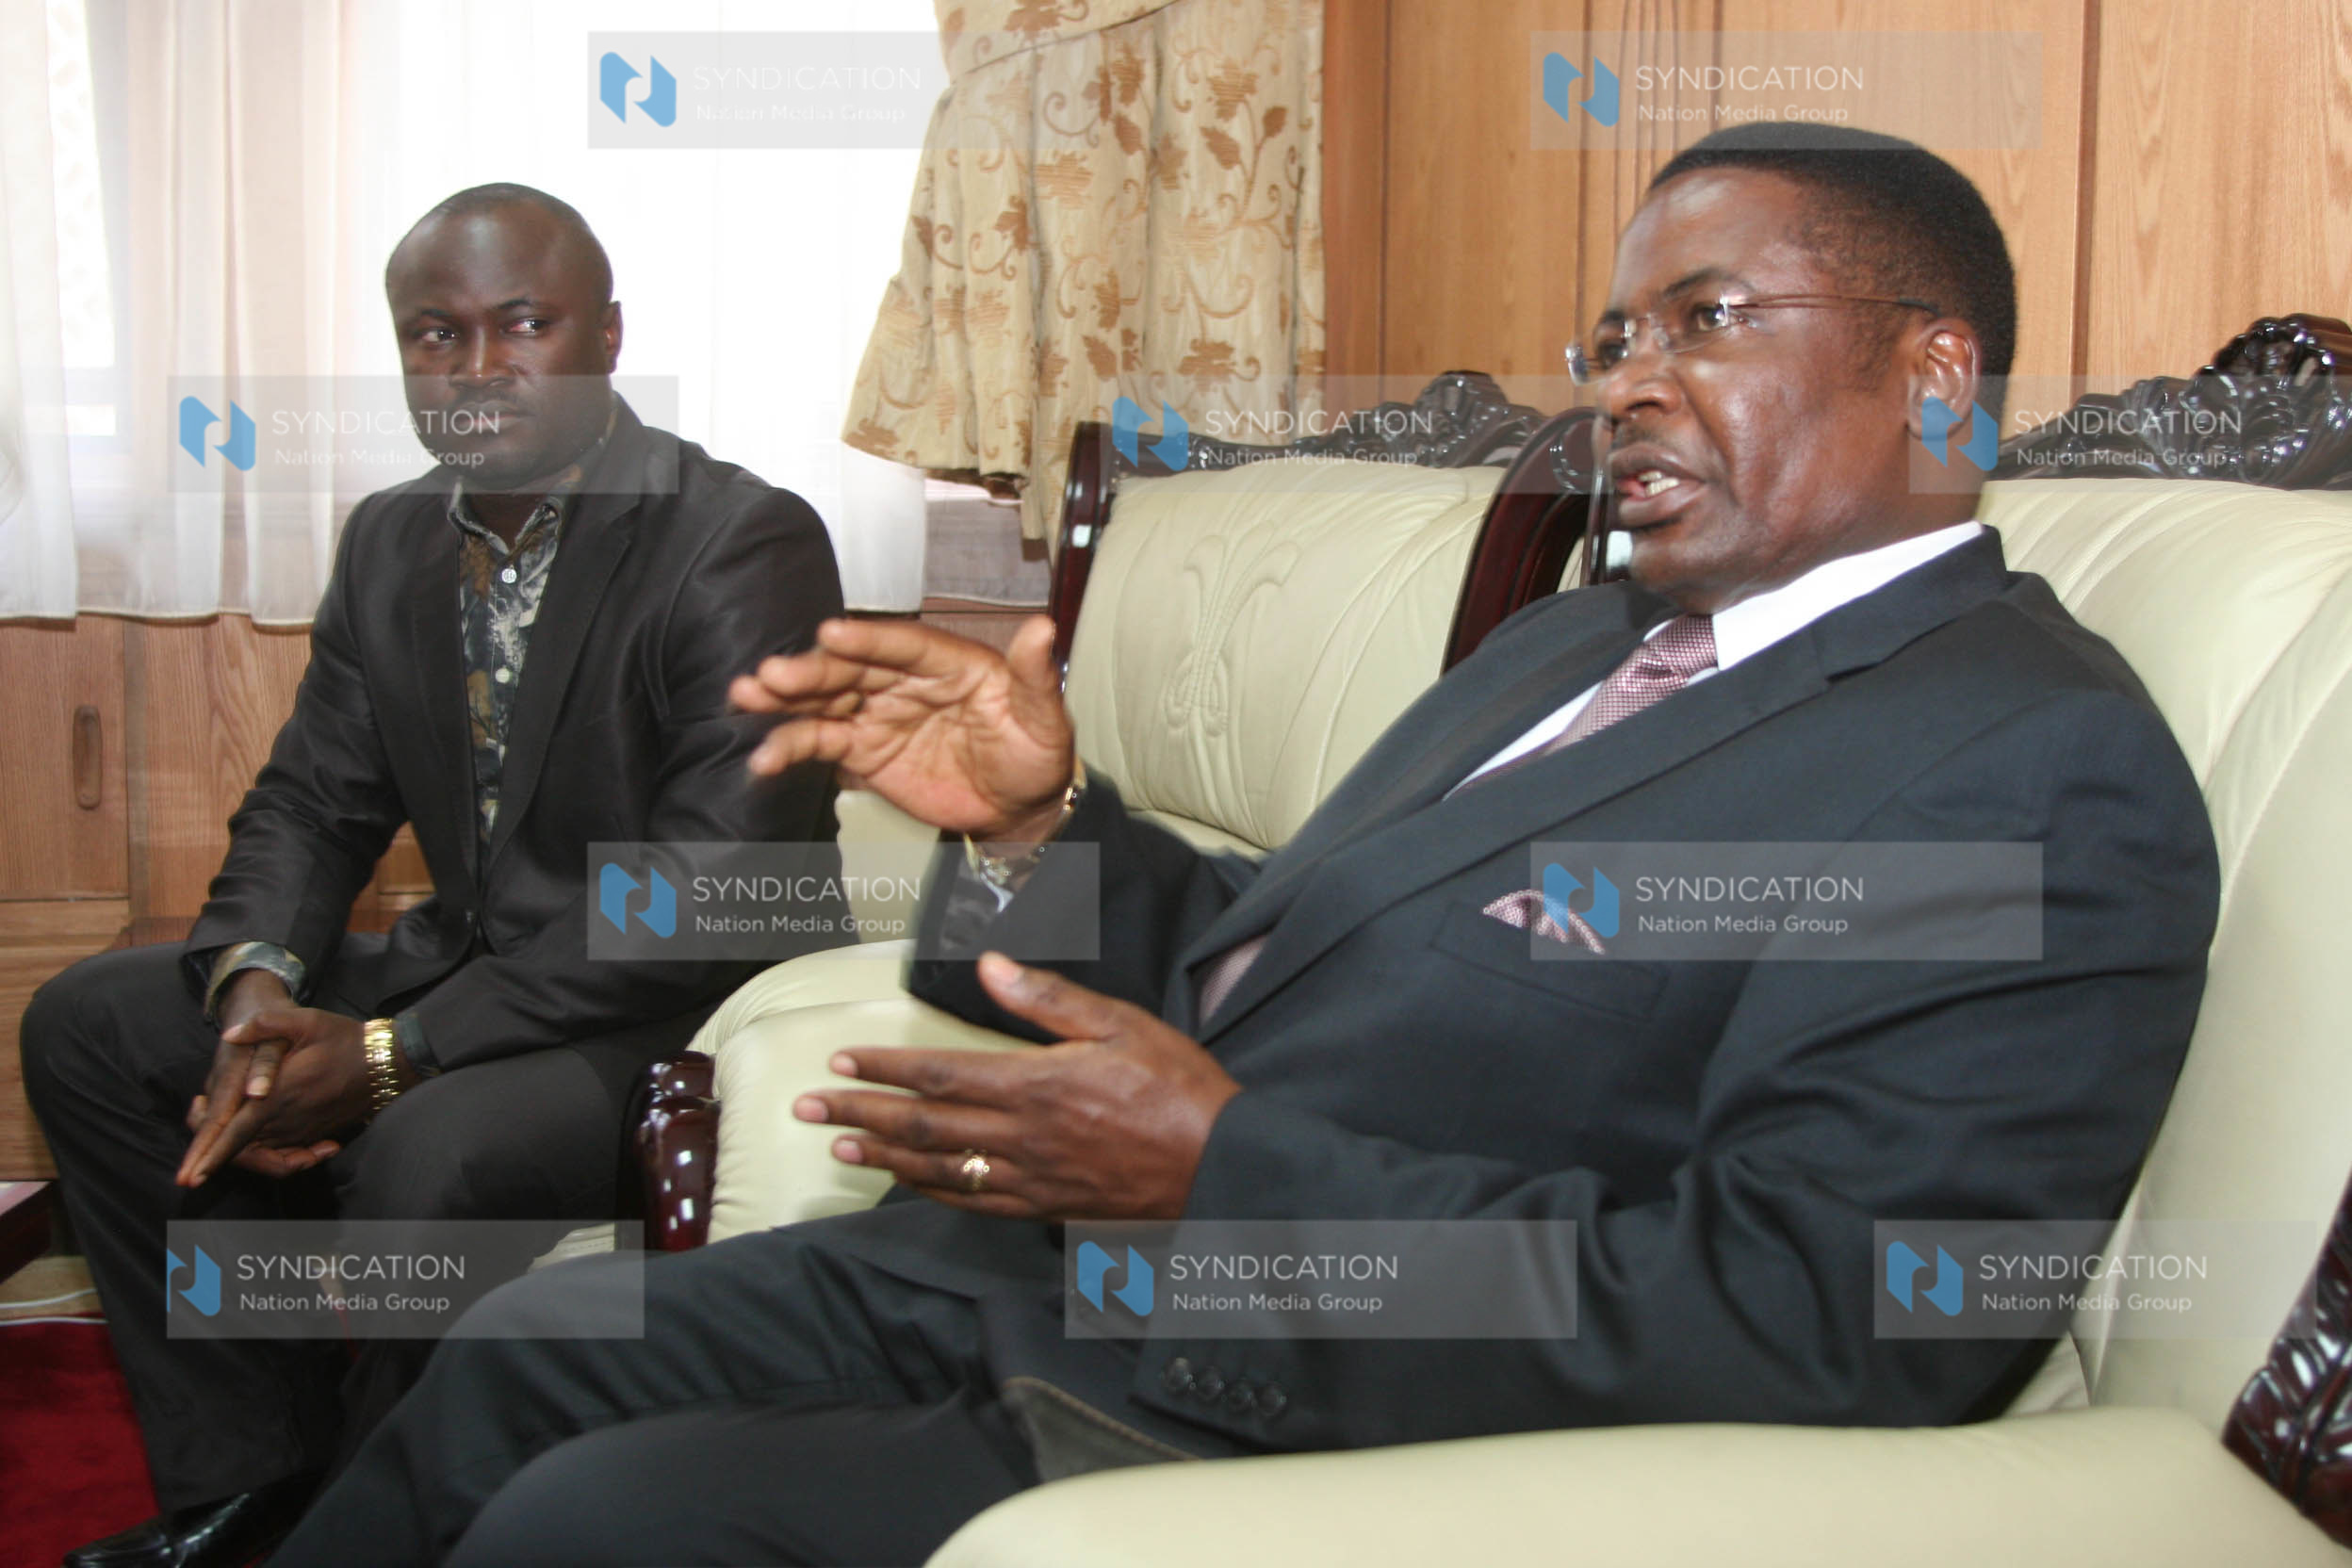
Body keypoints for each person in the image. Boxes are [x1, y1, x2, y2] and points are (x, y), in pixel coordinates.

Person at [275, 127, 2221, 1567]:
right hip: (1044, 1269)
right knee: (532, 1335)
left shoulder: (2028, 763)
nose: (1626, 378)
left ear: (1942, 377)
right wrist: (1040, 826)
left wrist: (1231, 1177)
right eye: (1617, 327)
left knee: (606, 1522)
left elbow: (1825, 1316)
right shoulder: (1577, 637)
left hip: (1308, 1410)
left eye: (1708, 321)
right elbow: (1251, 957)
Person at [19, 184, 849, 1568]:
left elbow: (707, 889)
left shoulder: (739, 539)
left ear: (609, 335)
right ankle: (253, 1489)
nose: (476, 370)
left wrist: (398, 1052)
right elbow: (308, 803)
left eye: (524, 325)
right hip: (471, 967)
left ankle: (379, 1525)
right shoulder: (393, 538)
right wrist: (255, 997)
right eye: (433, 335)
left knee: (430, 1151)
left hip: (677, 1017)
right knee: (93, 1029)